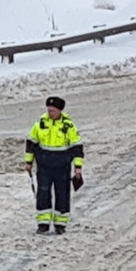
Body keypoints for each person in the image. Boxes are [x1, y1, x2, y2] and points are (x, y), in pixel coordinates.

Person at [24, 96, 83, 235]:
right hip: (44, 165)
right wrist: (28, 162)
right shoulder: (40, 123)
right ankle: (43, 224)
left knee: (62, 194)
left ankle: (60, 224)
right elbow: (31, 143)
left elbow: (77, 147)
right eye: (48, 110)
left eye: (53, 111)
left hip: (62, 166)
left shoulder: (68, 126)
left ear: (60, 111)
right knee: (43, 193)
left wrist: (78, 167)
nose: (50, 113)